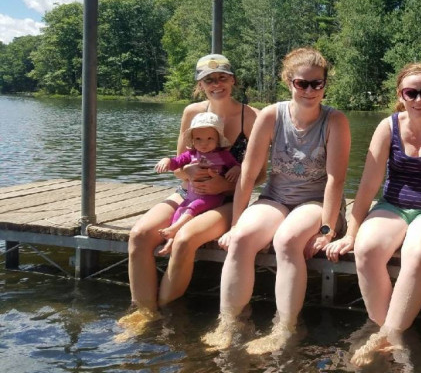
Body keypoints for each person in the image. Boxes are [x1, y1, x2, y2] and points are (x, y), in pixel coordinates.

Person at [202, 47, 351, 354]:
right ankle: (230, 322)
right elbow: (249, 172)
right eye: (302, 83)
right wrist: (234, 224)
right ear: (288, 82)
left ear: (324, 85)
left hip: (317, 203)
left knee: (287, 240)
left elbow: (335, 180)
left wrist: (326, 230)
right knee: (242, 238)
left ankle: (285, 327)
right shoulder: (272, 115)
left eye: (317, 84)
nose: (310, 91)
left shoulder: (334, 121)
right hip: (276, 197)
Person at [324, 62, 421, 365]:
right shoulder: (388, 127)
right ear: (401, 95)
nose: (419, 100)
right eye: (412, 92)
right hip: (393, 206)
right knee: (366, 249)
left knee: (416, 253)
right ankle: (387, 334)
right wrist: (351, 233)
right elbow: (367, 186)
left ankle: (387, 336)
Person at [120, 54, 260, 330]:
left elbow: (261, 172)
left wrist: (226, 184)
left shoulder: (251, 116)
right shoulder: (191, 112)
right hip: (188, 193)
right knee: (139, 235)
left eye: (222, 77)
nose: (216, 84)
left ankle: (166, 313)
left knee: (184, 240)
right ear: (200, 84)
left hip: (228, 199)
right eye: (209, 79)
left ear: (232, 80)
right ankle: (144, 314)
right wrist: (189, 174)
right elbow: (179, 165)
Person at [154, 112, 241, 255]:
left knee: (193, 207)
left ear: (218, 140)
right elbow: (176, 163)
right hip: (191, 194)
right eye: (198, 139)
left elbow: (236, 166)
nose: (204, 143)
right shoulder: (191, 155)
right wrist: (166, 161)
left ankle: (174, 229)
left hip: (212, 196)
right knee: (180, 210)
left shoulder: (223, 155)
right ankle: (170, 241)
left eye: (209, 138)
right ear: (193, 141)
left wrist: (236, 169)